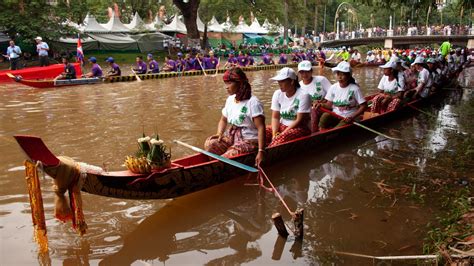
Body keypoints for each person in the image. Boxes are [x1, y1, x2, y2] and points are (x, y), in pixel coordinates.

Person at [204, 68, 266, 166]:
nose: (226, 87)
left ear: (239, 84)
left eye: (229, 84)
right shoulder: (230, 99)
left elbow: (261, 127)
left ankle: (220, 164)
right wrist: (219, 133)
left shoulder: (253, 102)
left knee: (226, 158)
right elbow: (223, 120)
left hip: (249, 140)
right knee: (210, 144)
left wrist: (261, 151)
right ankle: (217, 164)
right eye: (226, 84)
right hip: (232, 137)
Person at [267, 67, 311, 147]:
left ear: (291, 81)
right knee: (263, 131)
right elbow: (275, 117)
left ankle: (268, 150)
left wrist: (282, 134)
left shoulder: (304, 95)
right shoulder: (277, 94)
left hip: (299, 128)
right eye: (278, 81)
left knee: (281, 138)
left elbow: (299, 120)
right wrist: (274, 134)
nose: (279, 84)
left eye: (282, 81)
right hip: (282, 125)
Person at [318, 61, 367, 130]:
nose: (340, 77)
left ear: (348, 76)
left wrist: (352, 116)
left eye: (342, 74)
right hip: (336, 115)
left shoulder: (354, 88)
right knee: (325, 115)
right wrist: (321, 105)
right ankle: (321, 131)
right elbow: (329, 105)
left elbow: (364, 106)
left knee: (337, 129)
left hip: (348, 118)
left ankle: (332, 132)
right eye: (338, 74)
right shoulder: (333, 87)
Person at [298, 60, 331, 132]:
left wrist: (323, 101)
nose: (304, 74)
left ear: (311, 71)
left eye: (307, 71)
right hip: (307, 111)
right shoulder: (299, 86)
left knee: (313, 111)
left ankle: (314, 133)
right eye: (302, 72)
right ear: (299, 73)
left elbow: (333, 94)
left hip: (323, 108)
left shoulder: (321, 79)